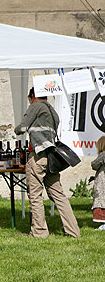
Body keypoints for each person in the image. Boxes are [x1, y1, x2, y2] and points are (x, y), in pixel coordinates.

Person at [14, 88, 80, 238]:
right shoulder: (53, 112)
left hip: (37, 156)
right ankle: (73, 231)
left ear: (32, 96)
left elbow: (22, 128)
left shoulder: (35, 106)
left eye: (29, 99)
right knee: (58, 194)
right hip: (51, 158)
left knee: (35, 194)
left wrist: (16, 128)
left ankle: (39, 232)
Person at [92, 136, 105, 230]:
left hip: (102, 182)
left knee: (101, 200)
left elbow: (94, 164)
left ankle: (103, 223)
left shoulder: (103, 155)